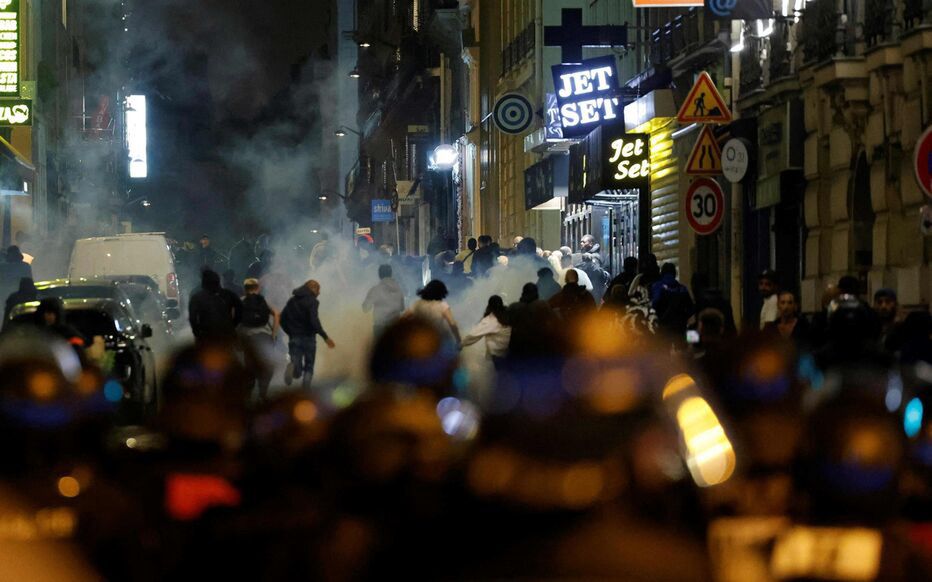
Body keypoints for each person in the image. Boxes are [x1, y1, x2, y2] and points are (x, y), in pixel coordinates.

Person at [280, 279, 336, 388]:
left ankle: (293, 367)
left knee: (297, 370)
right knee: (309, 366)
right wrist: (325, 337)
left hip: (294, 337)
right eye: (318, 290)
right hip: (309, 338)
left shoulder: (292, 301)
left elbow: (282, 319)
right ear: (313, 289)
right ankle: (305, 391)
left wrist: (290, 332)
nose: (319, 293)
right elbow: (314, 321)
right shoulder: (313, 302)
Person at [238, 278, 278, 401]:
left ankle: (249, 395)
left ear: (245, 289)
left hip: (247, 338)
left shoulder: (240, 301)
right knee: (266, 364)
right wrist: (274, 333)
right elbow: (276, 313)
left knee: (249, 364)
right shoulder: (263, 300)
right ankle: (263, 392)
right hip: (264, 336)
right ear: (258, 288)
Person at [188, 269, 243, 342]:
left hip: (206, 335)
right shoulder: (229, 294)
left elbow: (192, 318)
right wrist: (232, 325)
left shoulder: (196, 297)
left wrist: (197, 333)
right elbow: (240, 310)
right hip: (227, 334)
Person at [461, 295, 511, 368]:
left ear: (489, 306)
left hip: (498, 354)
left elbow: (474, 335)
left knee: (502, 375)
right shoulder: (509, 314)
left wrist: (461, 344)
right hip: (510, 351)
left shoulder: (490, 320)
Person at [405, 280, 461, 345]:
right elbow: (452, 323)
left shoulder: (417, 304)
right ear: (441, 292)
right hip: (436, 342)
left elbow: (403, 319)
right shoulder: (442, 305)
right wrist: (458, 340)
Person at [651, 263, 694, 337]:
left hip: (661, 330)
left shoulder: (657, 286)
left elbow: (653, 305)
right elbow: (691, 310)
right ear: (675, 273)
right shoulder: (682, 289)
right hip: (679, 330)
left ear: (662, 273)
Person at [362, 264, 406, 337]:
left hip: (380, 328)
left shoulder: (375, 290)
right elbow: (402, 308)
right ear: (391, 274)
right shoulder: (399, 290)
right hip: (395, 327)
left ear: (379, 275)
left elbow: (365, 308)